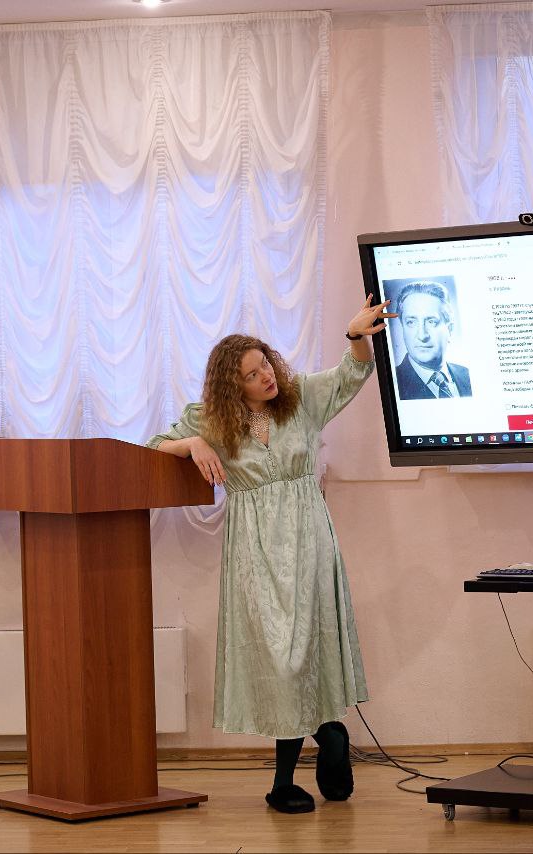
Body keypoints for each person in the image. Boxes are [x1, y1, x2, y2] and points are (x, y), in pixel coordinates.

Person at [148, 296, 397, 815]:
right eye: (251, 374)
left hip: (308, 540)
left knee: (306, 651)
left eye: (265, 364)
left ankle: (302, 762)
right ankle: (319, 742)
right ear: (230, 387)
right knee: (280, 660)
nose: (266, 377)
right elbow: (151, 448)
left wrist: (356, 335)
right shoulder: (211, 421)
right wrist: (194, 443)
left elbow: (351, 374)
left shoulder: (300, 397)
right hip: (254, 552)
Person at [392, 281, 472, 400]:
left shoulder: (467, 375)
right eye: (411, 322)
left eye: (431, 322)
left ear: (450, 329)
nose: (422, 336)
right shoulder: (393, 381)